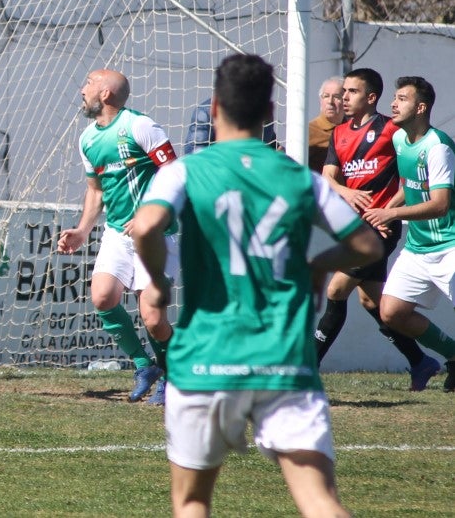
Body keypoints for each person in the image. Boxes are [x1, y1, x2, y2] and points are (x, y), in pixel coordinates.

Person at [129, 53, 383, 518]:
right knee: (319, 500)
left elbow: (145, 227)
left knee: (191, 504)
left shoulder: (185, 171)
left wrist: (159, 282)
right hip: (282, 361)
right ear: (270, 112)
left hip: (206, 359)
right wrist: (320, 262)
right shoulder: (298, 178)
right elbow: (368, 245)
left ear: (214, 107)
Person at [314, 68, 440, 389]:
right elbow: (329, 177)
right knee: (372, 303)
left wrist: (389, 211)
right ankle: (421, 362)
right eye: (343, 91)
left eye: (352, 92)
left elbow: (411, 174)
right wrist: (346, 191)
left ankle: (307, 369)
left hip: (379, 229)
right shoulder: (339, 133)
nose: (344, 97)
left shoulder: (391, 131)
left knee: (335, 290)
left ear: (371, 98)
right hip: (353, 229)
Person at [57, 69, 177, 404]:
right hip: (117, 233)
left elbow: (174, 174)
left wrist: (149, 214)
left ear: (106, 93)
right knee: (102, 298)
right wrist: (82, 230)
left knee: (153, 318)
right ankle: (144, 365)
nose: (83, 89)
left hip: (156, 235)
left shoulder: (140, 126)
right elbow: (95, 191)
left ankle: (171, 372)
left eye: (89, 83)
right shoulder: (87, 139)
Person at [367, 76, 455, 393]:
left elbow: (441, 204)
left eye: (401, 98)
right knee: (391, 311)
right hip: (418, 247)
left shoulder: (438, 147)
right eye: (394, 96)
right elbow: (409, 186)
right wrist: (386, 212)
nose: (393, 103)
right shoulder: (401, 141)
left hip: (450, 246)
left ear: (420, 107)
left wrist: (390, 213)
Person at [306, 77, 345, 173]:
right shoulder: (308, 131)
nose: (330, 102)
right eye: (326, 96)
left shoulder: (354, 129)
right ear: (320, 100)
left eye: (336, 97)